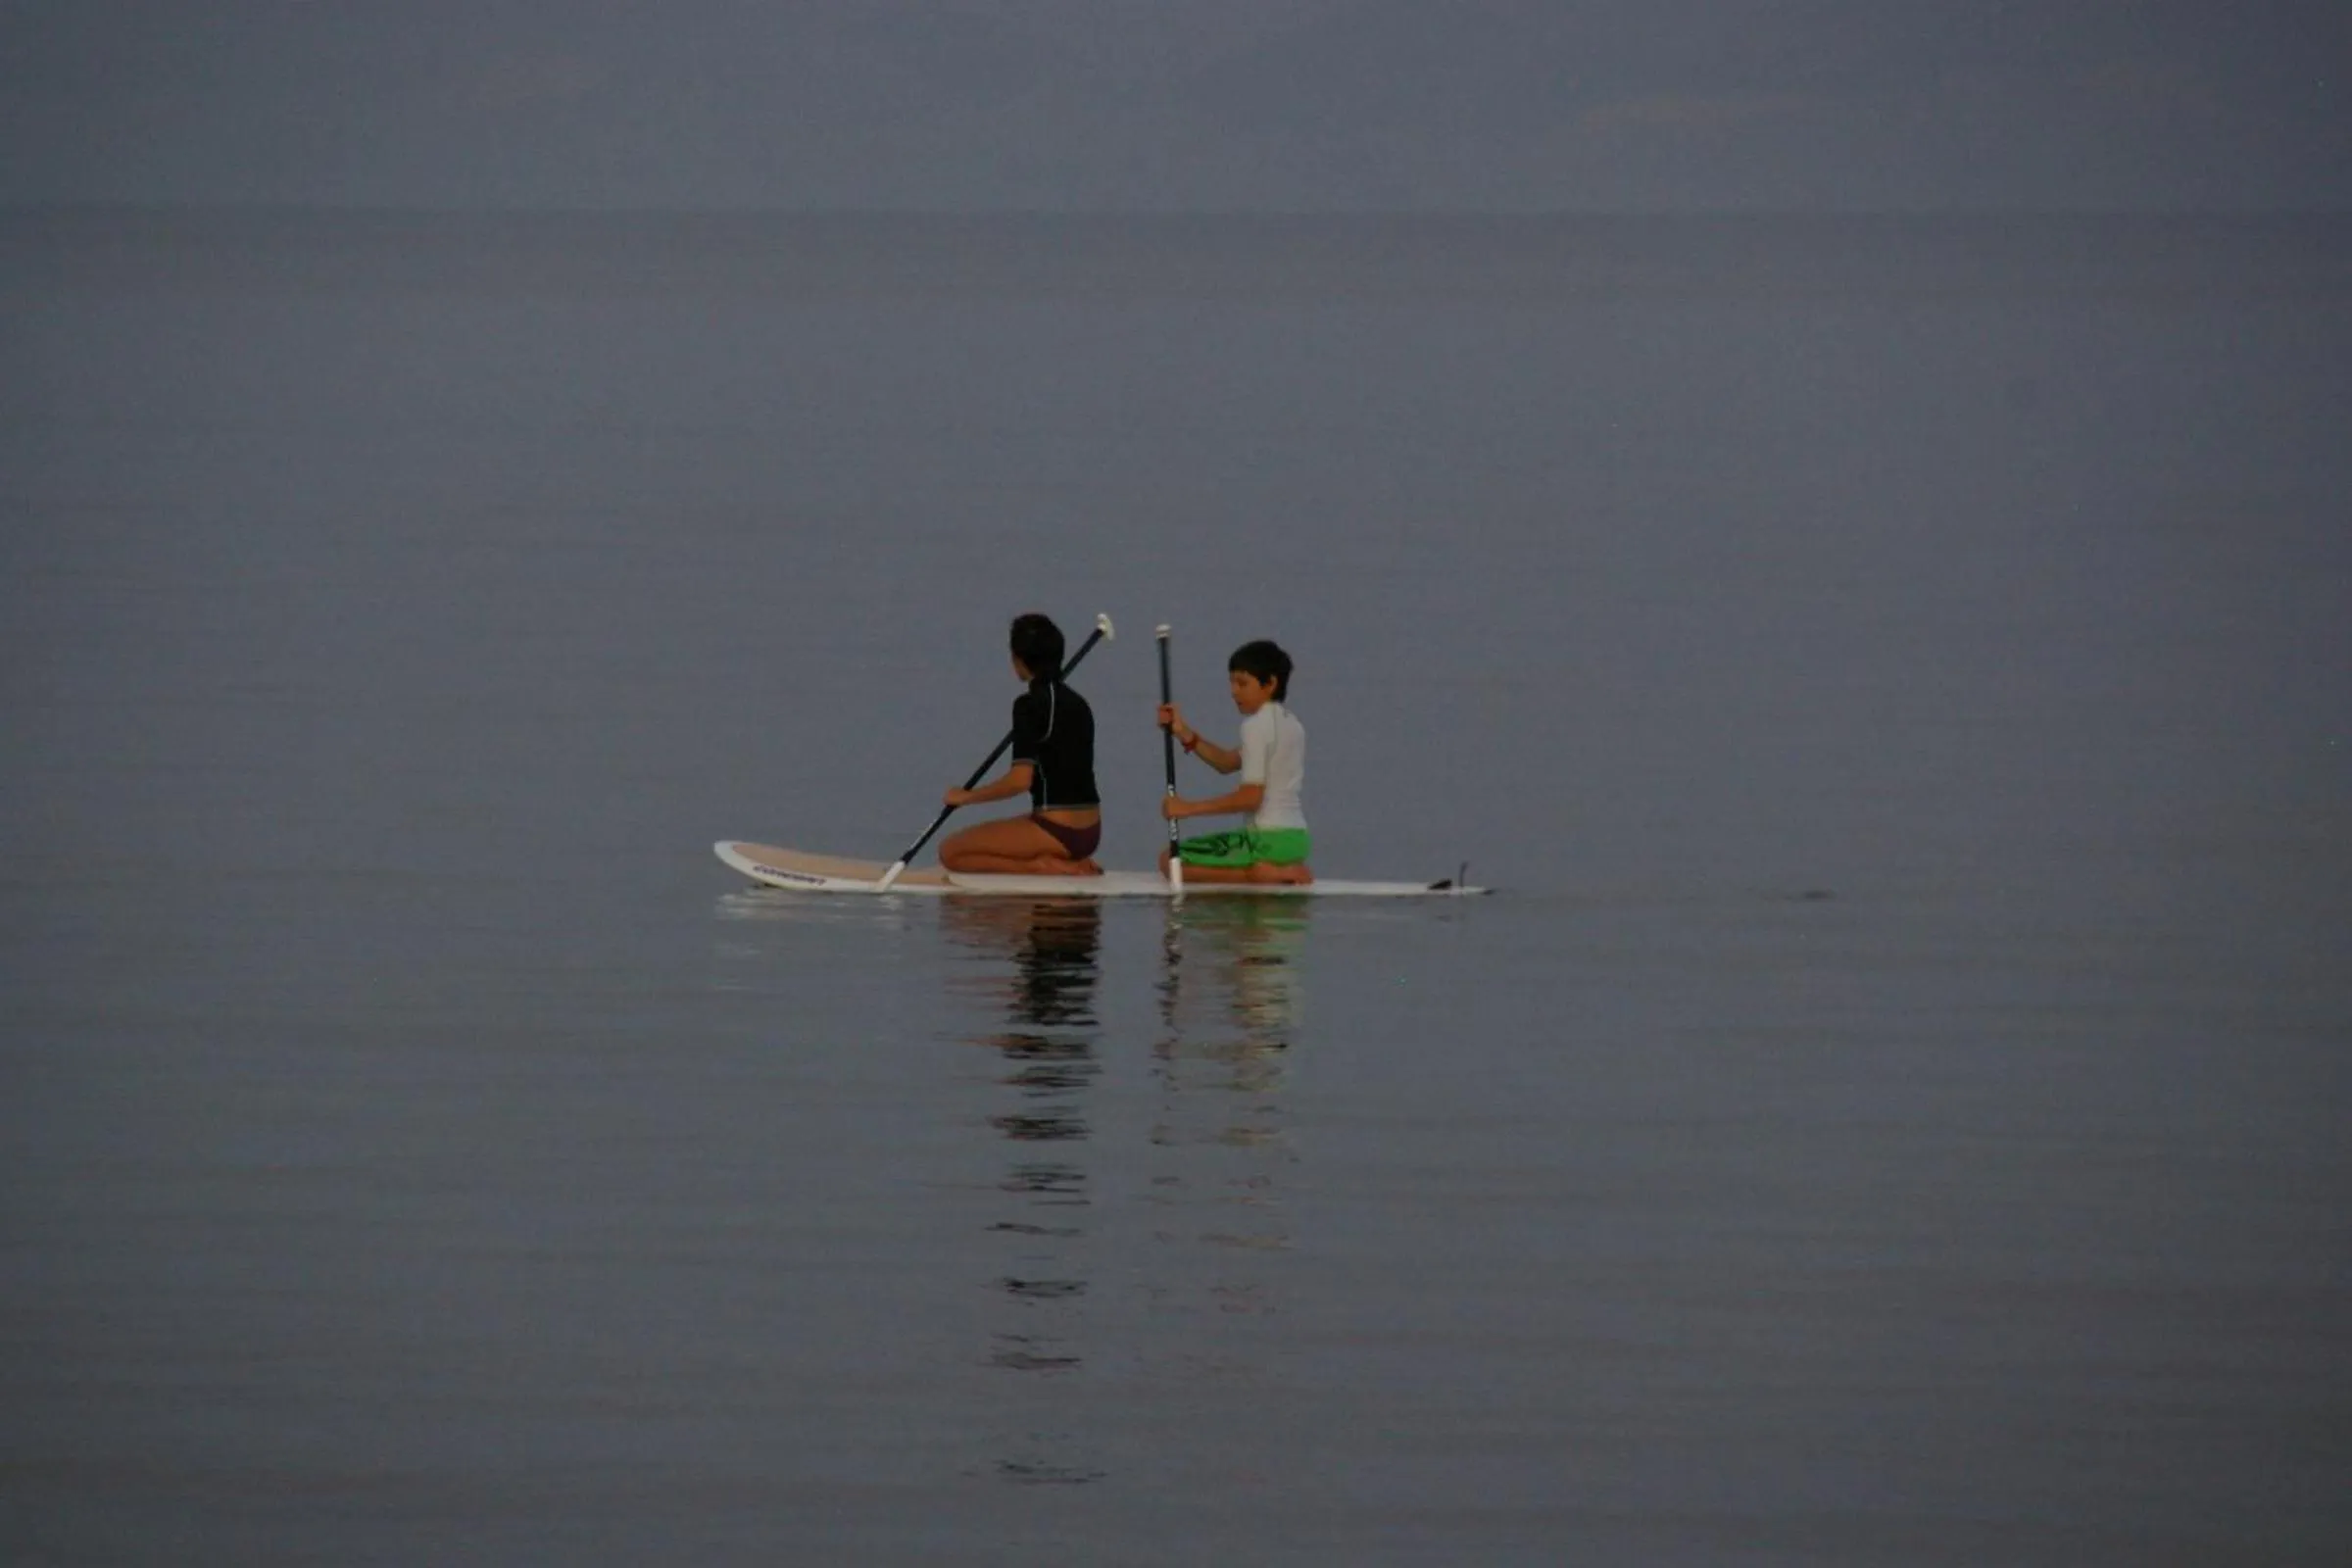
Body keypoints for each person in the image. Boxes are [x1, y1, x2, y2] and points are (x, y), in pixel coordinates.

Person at [940, 613, 1103, 876]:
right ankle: (1068, 860)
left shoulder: (1028, 706)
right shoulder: (1080, 704)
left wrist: (966, 797)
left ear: (1019, 659)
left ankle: (1043, 867)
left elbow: (1019, 781)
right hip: (1091, 832)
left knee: (951, 852)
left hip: (1056, 830)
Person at [1156, 639, 1311, 886]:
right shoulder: (1292, 725)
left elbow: (1250, 798)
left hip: (1265, 841)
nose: (1233, 691)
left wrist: (1187, 808)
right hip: (1295, 840)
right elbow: (1227, 763)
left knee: (1169, 861)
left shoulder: (1255, 727)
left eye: (1242, 683)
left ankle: (1259, 874)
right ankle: (1282, 867)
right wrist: (1182, 731)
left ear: (1270, 683)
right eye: (1231, 682)